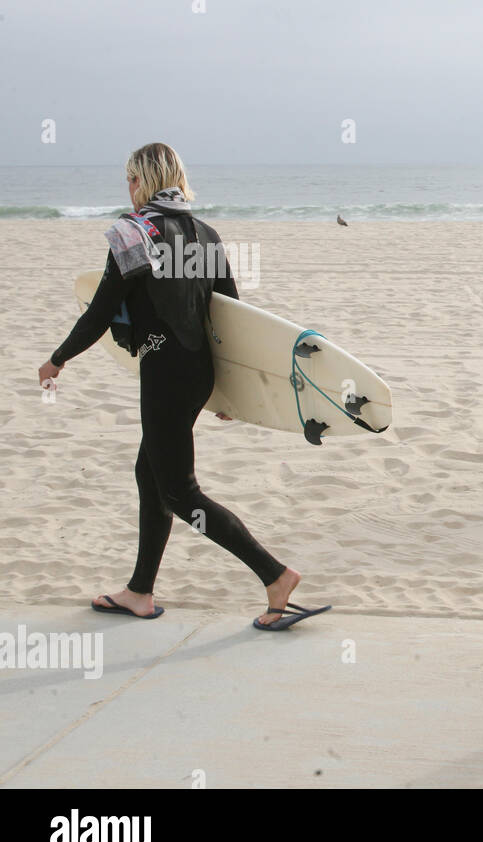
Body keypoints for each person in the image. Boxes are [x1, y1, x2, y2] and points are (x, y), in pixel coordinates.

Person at [37, 143, 327, 631]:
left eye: (130, 179)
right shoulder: (204, 234)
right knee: (150, 474)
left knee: (179, 491)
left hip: (165, 371)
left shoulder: (135, 233)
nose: (127, 189)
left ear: (143, 180)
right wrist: (228, 391)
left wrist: (57, 359)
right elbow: (231, 316)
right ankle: (139, 593)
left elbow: (101, 310)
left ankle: (275, 576)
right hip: (197, 372)